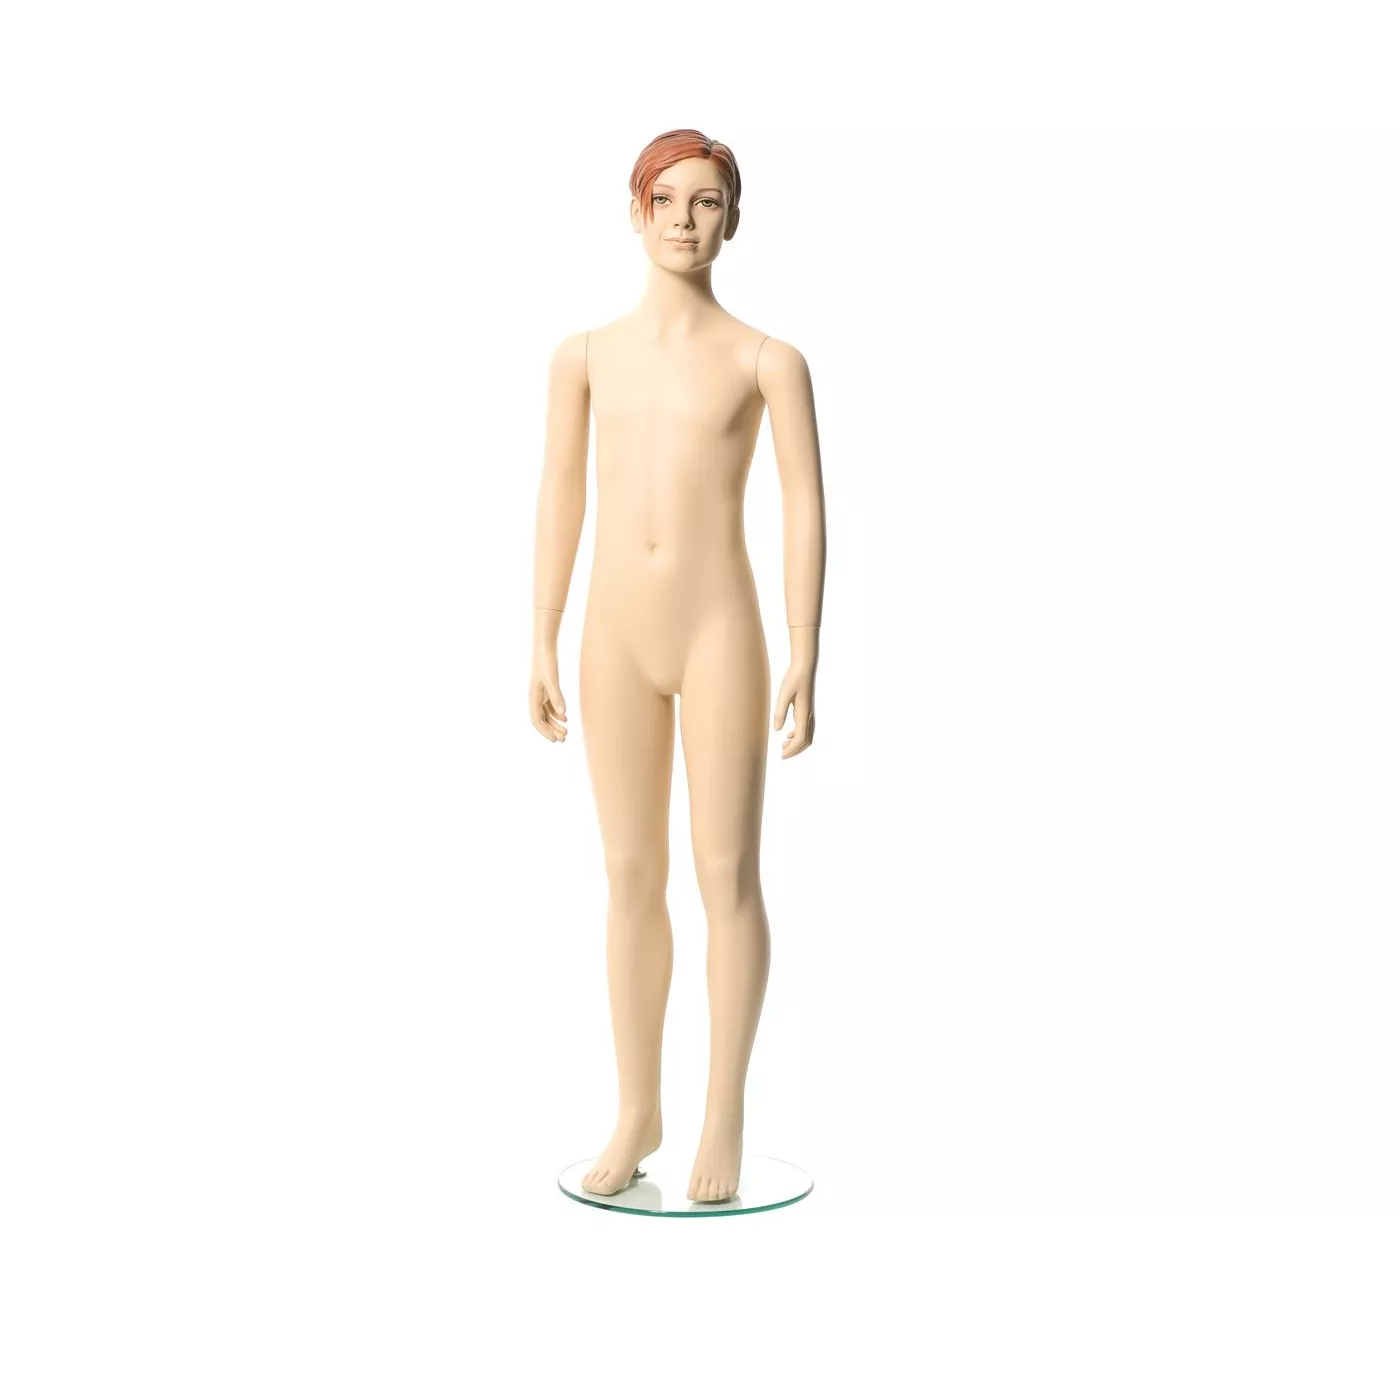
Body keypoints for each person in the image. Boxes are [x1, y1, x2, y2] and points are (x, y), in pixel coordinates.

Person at [529, 128, 826, 1203]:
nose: (685, 221)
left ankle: (722, 1113)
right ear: (635, 210)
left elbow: (804, 502)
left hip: (718, 632)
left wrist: (806, 647)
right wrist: (540, 630)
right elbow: (561, 489)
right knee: (626, 872)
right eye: (667, 200)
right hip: (611, 631)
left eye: (706, 202)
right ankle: (636, 1106)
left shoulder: (765, 360)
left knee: (725, 871)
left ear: (732, 219)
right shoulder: (583, 357)